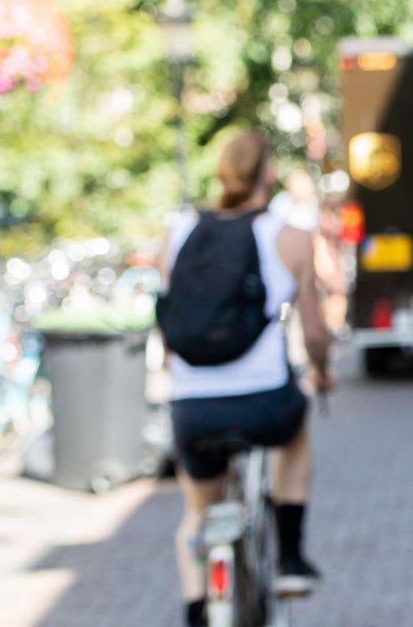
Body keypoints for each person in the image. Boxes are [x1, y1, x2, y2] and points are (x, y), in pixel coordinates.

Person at [159, 132, 332, 627]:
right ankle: (291, 558)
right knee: (294, 435)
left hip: (194, 409)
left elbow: (169, 320)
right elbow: (314, 331)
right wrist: (320, 374)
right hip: (265, 405)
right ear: (268, 175)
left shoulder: (178, 230)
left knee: (196, 511)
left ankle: (197, 606)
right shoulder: (291, 236)